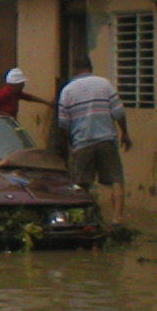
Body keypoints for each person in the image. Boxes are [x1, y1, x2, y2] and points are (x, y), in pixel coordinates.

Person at [57, 57, 132, 224]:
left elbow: (63, 124)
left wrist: (71, 143)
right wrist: (125, 133)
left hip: (82, 142)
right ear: (91, 68)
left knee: (81, 184)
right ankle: (117, 219)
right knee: (116, 180)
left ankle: (85, 220)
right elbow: (119, 112)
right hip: (106, 140)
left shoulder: (67, 90)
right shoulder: (104, 84)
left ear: (75, 69)